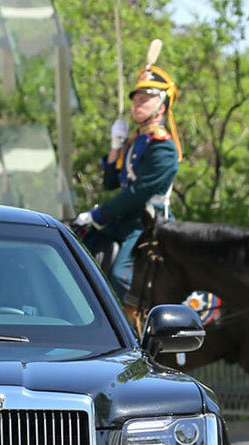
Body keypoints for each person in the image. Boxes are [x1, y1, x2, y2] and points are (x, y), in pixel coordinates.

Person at [72, 54, 182, 297]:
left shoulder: (163, 147)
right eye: (136, 100)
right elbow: (111, 182)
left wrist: (96, 214)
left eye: (145, 99)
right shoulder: (137, 141)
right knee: (80, 253)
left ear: (162, 106)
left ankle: (140, 328)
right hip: (126, 220)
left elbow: (137, 193)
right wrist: (115, 146)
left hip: (148, 222)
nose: (137, 104)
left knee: (121, 275)